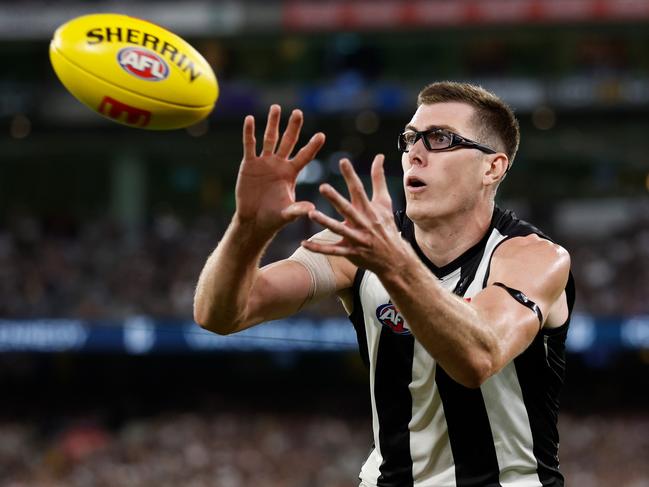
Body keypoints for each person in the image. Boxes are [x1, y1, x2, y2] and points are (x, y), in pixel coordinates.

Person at [193, 81, 575, 487]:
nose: (415, 153)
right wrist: (247, 229)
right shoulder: (359, 245)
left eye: (440, 138)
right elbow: (220, 315)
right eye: (410, 138)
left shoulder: (536, 259)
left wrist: (393, 264)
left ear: (492, 167)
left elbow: (477, 358)